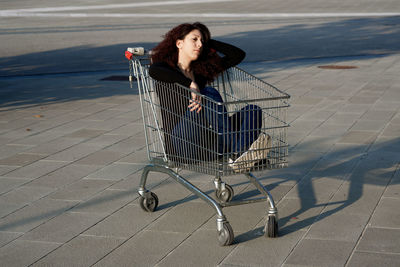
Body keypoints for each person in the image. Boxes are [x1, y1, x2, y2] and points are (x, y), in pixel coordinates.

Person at [149, 22, 270, 172]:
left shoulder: (200, 72)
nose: (199, 44)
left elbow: (237, 55)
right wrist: (190, 84)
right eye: (194, 40)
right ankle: (241, 152)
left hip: (207, 144)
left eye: (201, 41)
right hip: (182, 144)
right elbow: (154, 71)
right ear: (179, 43)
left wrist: (207, 41)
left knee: (252, 110)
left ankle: (240, 155)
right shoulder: (167, 68)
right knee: (207, 93)